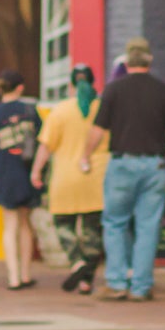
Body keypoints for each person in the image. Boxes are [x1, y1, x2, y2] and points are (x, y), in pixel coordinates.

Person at [78, 37, 165, 303]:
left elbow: (97, 129)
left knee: (114, 223)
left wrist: (85, 155)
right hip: (154, 165)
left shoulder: (114, 90)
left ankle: (117, 283)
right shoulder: (163, 91)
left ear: (126, 62)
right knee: (148, 227)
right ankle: (141, 286)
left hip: (122, 164)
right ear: (150, 60)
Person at [33, 63, 108, 293]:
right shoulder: (103, 109)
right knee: (92, 231)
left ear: (71, 84)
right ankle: (87, 280)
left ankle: (76, 261)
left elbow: (46, 147)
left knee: (63, 224)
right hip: (96, 177)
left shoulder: (60, 111)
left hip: (65, 178)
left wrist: (36, 171)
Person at [0, 69, 44, 289]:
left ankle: (12, 277)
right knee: (25, 224)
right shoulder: (30, 111)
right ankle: (25, 274)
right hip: (27, 173)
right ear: (20, 87)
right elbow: (42, 143)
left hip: (4, 174)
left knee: (10, 224)